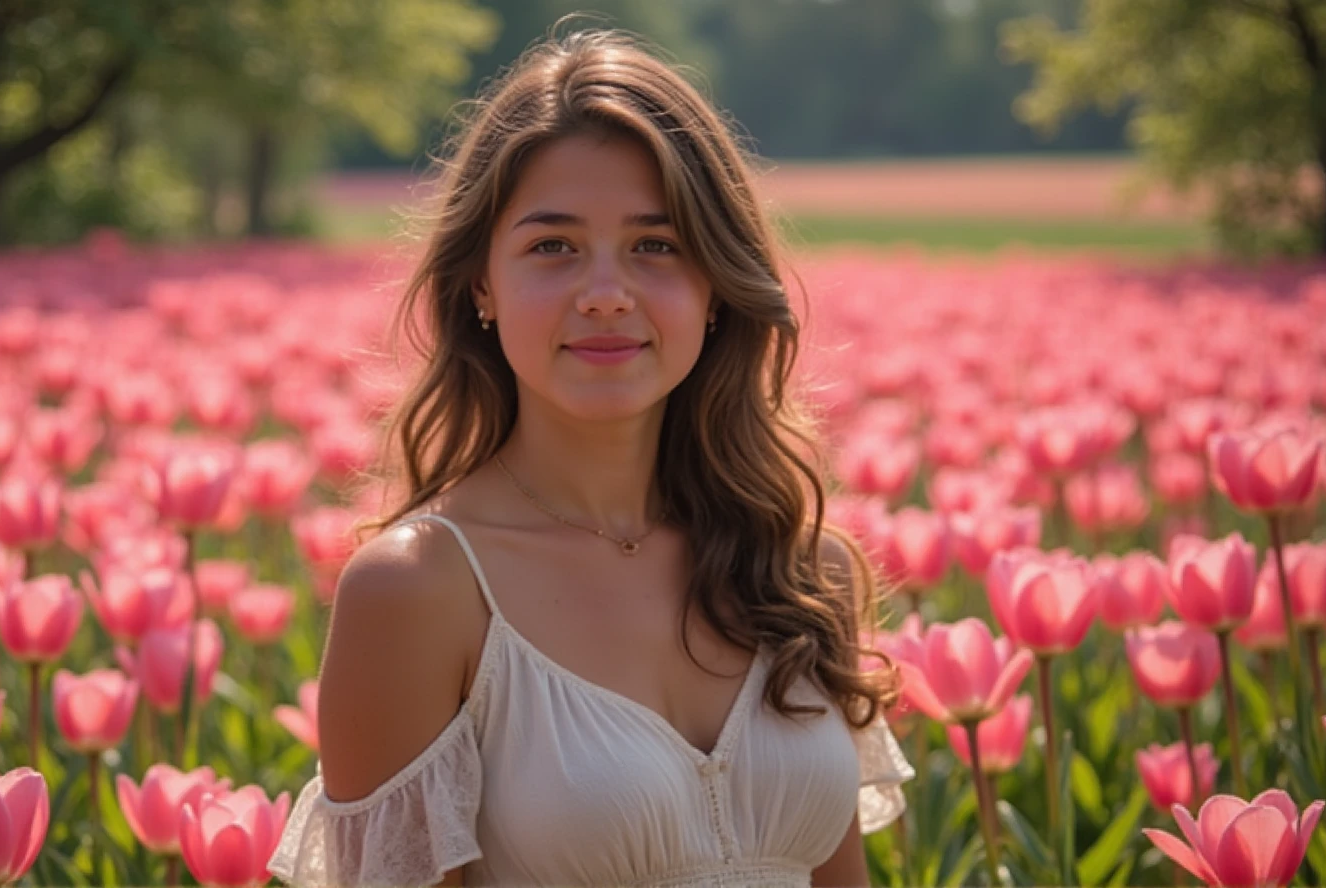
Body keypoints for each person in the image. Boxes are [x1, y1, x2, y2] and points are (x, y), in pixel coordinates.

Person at [268, 25, 914, 888]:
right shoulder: (420, 592)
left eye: (657, 245)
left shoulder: (797, 570)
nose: (606, 295)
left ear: (716, 286)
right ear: (482, 287)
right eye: (553, 247)